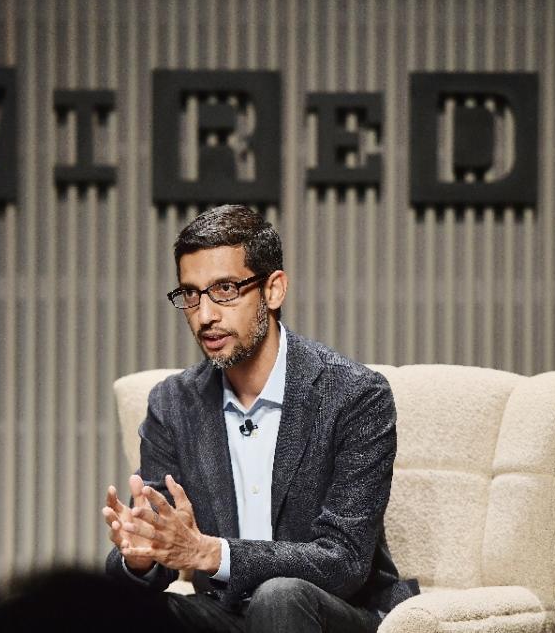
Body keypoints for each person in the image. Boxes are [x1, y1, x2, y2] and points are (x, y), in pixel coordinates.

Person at [102, 204, 417, 632]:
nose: (205, 314)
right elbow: (160, 541)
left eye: (225, 289)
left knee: (279, 596)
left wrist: (212, 554)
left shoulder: (354, 395)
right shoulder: (173, 404)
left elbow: (345, 561)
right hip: (229, 613)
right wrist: (141, 556)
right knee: (122, 612)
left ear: (273, 290)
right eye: (191, 294)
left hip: (338, 613)